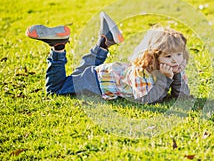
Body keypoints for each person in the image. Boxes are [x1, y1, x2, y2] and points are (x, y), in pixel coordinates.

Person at [26, 12, 190, 104]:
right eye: (168, 56)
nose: (175, 60)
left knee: (78, 75)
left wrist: (175, 76)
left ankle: (105, 42)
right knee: (55, 88)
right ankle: (58, 47)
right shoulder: (142, 72)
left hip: (106, 73)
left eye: (179, 54)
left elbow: (181, 97)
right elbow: (146, 100)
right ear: (154, 56)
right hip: (97, 82)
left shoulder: (172, 66)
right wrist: (166, 79)